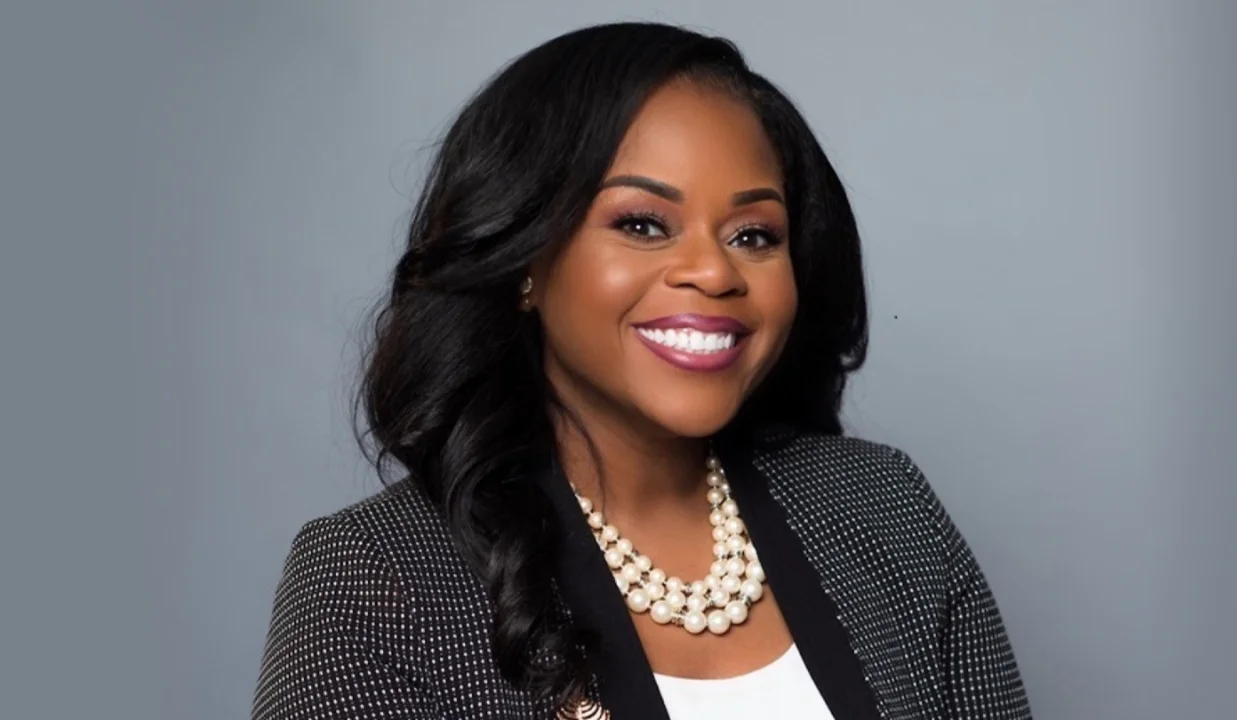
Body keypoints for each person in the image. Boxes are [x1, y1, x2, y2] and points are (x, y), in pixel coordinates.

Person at [251, 21, 1031, 720]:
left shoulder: (885, 509)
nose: (714, 272)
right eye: (642, 224)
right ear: (524, 258)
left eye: (754, 235)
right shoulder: (376, 581)